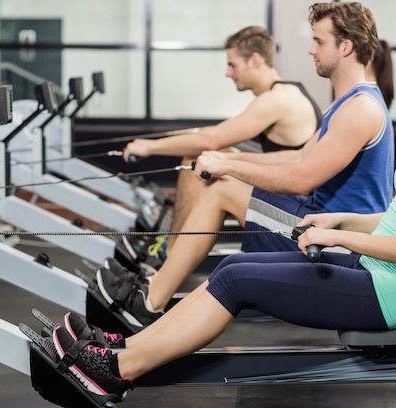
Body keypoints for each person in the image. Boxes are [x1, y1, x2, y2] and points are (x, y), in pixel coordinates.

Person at [50, 18, 396, 403]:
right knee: (234, 266)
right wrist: (341, 222)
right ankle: (126, 346)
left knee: (237, 281)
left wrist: (340, 238)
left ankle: (116, 372)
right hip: (370, 264)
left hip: (393, 291)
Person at [97, 1, 396, 328]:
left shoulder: (360, 109)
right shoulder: (347, 103)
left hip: (336, 241)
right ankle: (155, 289)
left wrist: (229, 167)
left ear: (346, 46)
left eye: (319, 42)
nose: (311, 49)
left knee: (221, 190)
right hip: (317, 220)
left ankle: (150, 300)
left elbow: (302, 178)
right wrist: (226, 159)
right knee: (222, 185)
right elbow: (297, 157)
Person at [122, 25, 322, 250]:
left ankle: (170, 250)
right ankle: (174, 246)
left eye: (232, 64)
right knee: (212, 156)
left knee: (195, 161)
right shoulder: (279, 94)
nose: (228, 73)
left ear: (255, 60)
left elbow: (212, 140)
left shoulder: (278, 99)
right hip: (282, 186)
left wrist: (149, 147)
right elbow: (222, 133)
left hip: (295, 204)